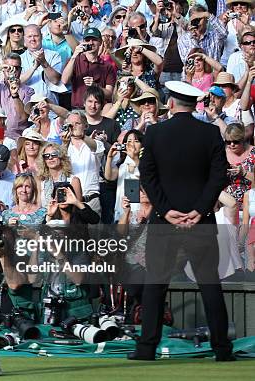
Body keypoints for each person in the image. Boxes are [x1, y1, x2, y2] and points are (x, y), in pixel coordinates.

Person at [129, 81, 234, 362]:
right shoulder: (211, 133)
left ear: (172, 104)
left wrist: (166, 210)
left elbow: (147, 175)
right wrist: (200, 210)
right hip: (201, 222)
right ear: (194, 104)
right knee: (210, 284)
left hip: (165, 221)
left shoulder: (155, 133)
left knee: (155, 285)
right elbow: (218, 176)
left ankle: (146, 349)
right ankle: (222, 349)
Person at [61, 27, 116, 108]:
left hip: (98, 110)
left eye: (94, 40)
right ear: (83, 42)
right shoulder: (75, 60)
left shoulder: (107, 66)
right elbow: (64, 80)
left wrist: (95, 86)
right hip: (78, 109)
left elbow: (109, 94)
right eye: (87, 40)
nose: (91, 43)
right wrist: (74, 55)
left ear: (100, 42)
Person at [39, 143, 83, 208]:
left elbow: (78, 207)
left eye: (54, 155)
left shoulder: (73, 180)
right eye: (46, 156)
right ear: (44, 160)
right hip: (46, 216)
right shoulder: (41, 182)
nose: (50, 158)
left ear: (61, 157)